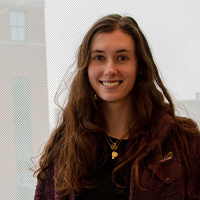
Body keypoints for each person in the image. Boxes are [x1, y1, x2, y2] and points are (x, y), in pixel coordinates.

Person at [34, 14, 200, 200]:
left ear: (140, 66)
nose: (110, 69)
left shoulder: (184, 141)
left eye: (122, 58)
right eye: (99, 57)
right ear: (86, 68)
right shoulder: (66, 145)